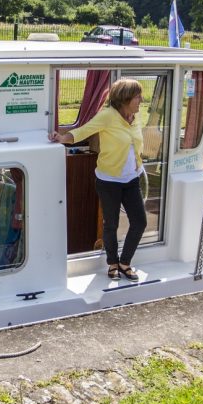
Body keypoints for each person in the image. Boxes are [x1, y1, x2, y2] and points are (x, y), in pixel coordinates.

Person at [49, 78, 147, 281]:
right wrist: (62, 138)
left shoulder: (135, 117)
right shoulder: (108, 116)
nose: (141, 100)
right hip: (109, 181)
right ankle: (113, 263)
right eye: (138, 96)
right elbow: (84, 130)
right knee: (111, 224)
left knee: (140, 222)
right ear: (125, 98)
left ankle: (125, 263)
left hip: (131, 179)